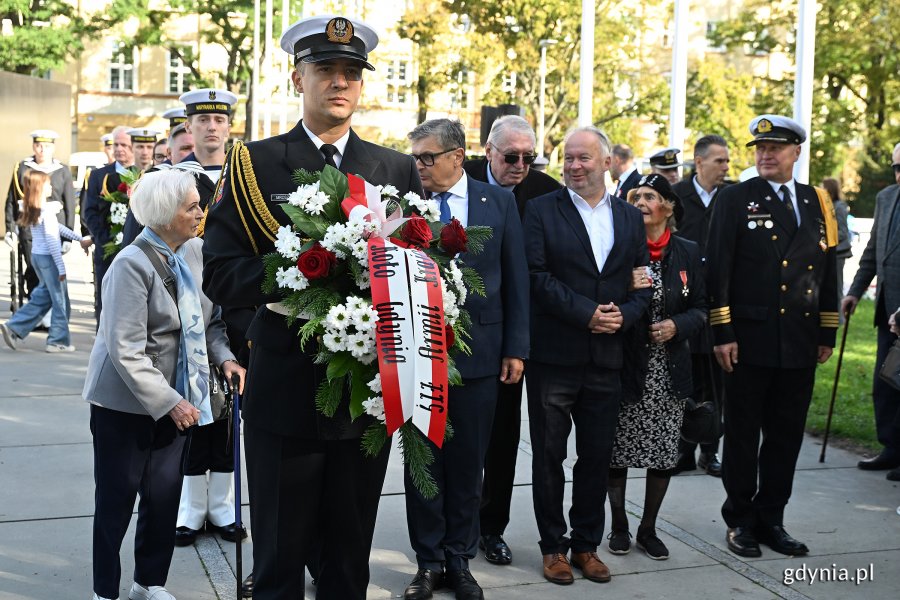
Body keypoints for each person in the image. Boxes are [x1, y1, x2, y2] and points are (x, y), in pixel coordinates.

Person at [201, 15, 422, 600]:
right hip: (284, 389)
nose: (339, 82)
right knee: (277, 561)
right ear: (297, 78)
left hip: (364, 392)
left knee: (350, 560)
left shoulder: (393, 169)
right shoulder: (255, 163)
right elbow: (221, 271)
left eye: (351, 72)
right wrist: (299, 270)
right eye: (325, 69)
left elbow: (418, 271)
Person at [82, 168, 244, 600]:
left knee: (164, 497)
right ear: (165, 213)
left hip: (179, 397)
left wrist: (225, 359)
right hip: (126, 405)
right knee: (116, 504)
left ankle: (149, 584)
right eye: (191, 205)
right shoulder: (129, 265)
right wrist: (171, 402)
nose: (200, 212)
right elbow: (125, 350)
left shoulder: (195, 251)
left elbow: (210, 321)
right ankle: (105, 591)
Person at [402, 119, 529, 600]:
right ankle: (428, 562)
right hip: (416, 354)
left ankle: (460, 559)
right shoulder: (404, 204)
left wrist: (516, 346)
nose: (420, 166)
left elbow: (516, 276)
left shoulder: (497, 203)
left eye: (427, 157)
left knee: (468, 464)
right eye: (416, 157)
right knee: (424, 463)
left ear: (457, 157)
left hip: (480, 354)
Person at [523, 127, 651, 585]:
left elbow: (642, 281)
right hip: (554, 359)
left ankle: (585, 545)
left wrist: (627, 316)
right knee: (549, 457)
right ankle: (553, 548)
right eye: (569, 159)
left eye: (584, 158)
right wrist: (587, 314)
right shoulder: (540, 211)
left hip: (608, 358)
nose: (575, 166)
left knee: (595, 458)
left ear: (606, 163)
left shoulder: (629, 218)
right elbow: (536, 277)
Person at [706, 115, 838, 558]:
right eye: (760, 148)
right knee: (742, 436)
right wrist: (722, 332)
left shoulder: (818, 202)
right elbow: (718, 269)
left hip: (799, 341)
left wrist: (826, 330)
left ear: (796, 152)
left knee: (786, 437)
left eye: (776, 148)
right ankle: (740, 520)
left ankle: (772, 520)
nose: (765, 155)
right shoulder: (735, 198)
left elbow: (827, 271)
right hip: (748, 338)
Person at [462, 114, 559, 566]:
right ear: (488, 152)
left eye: (528, 157)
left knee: (503, 439)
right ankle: (451, 529)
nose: (520, 165)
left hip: (515, 337)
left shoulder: (546, 193)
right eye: (511, 157)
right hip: (463, 333)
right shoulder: (460, 183)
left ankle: (491, 527)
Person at [607, 174, 706, 560]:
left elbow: (702, 307)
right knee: (617, 450)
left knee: (663, 453)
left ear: (668, 206)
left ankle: (648, 530)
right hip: (626, 366)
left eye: (649, 196)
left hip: (669, 371)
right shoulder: (619, 249)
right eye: (634, 196)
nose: (641, 202)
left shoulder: (688, 251)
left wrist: (676, 326)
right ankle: (618, 525)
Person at [170, 87, 247, 548]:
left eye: (219, 120)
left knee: (229, 422)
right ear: (190, 126)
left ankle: (223, 508)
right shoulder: (171, 178)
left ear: (229, 126)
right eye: (202, 121)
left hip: (234, 316)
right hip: (186, 315)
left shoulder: (245, 176)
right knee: (190, 417)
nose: (212, 128)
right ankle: (189, 510)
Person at [672, 134, 731, 477]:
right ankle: (683, 449)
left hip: (721, 303)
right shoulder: (678, 195)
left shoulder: (731, 197)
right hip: (685, 304)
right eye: (719, 161)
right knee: (687, 380)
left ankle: (710, 451)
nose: (725, 167)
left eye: (726, 161)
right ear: (699, 162)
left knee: (717, 383)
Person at [842, 142, 900, 480]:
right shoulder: (886, 197)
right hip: (886, 311)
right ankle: (890, 448)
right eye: (895, 167)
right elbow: (874, 250)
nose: (898, 174)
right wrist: (854, 292)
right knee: (886, 381)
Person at [1, 170, 91, 352]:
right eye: (48, 184)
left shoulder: (35, 209)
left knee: (44, 297)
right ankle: (57, 341)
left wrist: (78, 238)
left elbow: (57, 229)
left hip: (38, 257)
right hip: (49, 259)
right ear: (40, 188)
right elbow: (52, 240)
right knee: (60, 300)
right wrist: (61, 267)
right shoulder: (47, 212)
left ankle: (14, 327)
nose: (51, 186)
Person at [5, 129, 77, 296]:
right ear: (33, 146)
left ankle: (45, 309)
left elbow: (70, 205)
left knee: (50, 271)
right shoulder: (22, 168)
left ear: (53, 148)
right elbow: (12, 199)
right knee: (33, 269)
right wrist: (10, 228)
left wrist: (68, 237)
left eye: (46, 146)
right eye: (38, 145)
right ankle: (35, 307)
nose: (42, 150)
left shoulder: (62, 170)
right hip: (29, 227)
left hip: (54, 228)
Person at [83, 125, 135, 324]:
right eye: (116, 144)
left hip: (134, 249)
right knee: (104, 300)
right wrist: (103, 239)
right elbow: (90, 211)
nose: (119, 148)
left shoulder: (143, 174)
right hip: (106, 249)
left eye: (125, 144)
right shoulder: (99, 176)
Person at [822, 178, 852, 303]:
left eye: (822, 187)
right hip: (830, 251)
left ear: (829, 189)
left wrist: (824, 238)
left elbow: (843, 233)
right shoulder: (829, 205)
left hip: (839, 252)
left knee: (837, 286)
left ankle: (840, 318)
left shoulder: (840, 206)